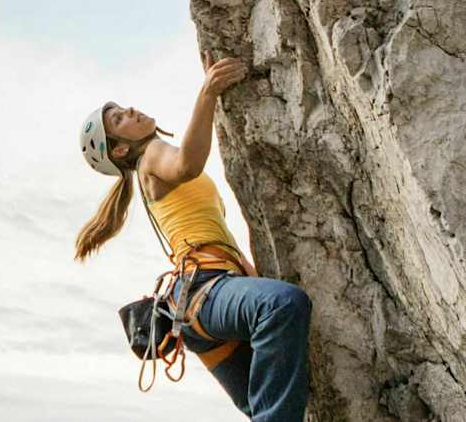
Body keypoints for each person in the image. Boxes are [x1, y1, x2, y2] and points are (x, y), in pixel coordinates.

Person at [74, 51, 312, 421]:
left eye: (122, 108)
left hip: (199, 305)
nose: (131, 110)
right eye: (119, 118)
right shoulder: (150, 156)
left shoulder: (148, 168)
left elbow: (215, 236)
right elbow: (187, 163)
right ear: (120, 149)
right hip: (205, 290)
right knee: (281, 305)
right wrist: (208, 93)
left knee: (261, 405)